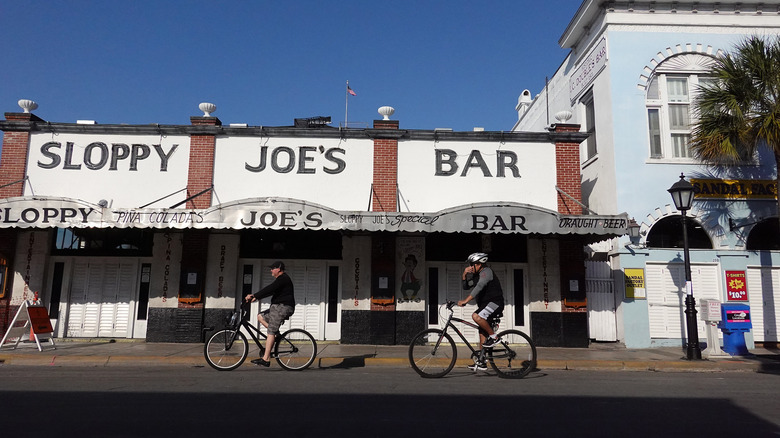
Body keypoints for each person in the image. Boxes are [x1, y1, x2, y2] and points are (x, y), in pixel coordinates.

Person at [458, 252, 505, 371]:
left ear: (479, 264)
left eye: (472, 264)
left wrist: (465, 301)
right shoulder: (477, 275)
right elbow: (466, 286)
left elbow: (478, 288)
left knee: (476, 316)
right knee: (482, 334)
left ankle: (494, 337)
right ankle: (482, 361)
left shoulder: (486, 272)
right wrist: (464, 275)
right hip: (485, 305)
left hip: (495, 303)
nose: (470, 266)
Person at [244, 261, 295, 367]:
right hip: (277, 307)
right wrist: (256, 297)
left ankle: (266, 359)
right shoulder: (280, 281)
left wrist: (254, 295)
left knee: (270, 331)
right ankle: (275, 333)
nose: (271, 270)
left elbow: (270, 288)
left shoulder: (283, 279)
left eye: (273, 268)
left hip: (283, 307)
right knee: (260, 316)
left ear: (279, 269)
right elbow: (270, 291)